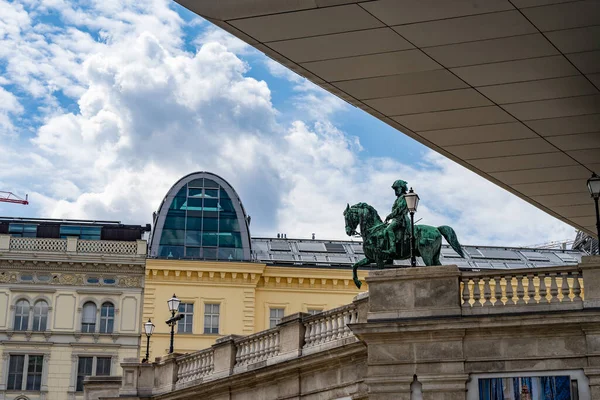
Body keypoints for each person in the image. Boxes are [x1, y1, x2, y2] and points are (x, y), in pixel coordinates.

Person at [383, 180, 410, 256]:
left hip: (401, 219)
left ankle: (392, 249)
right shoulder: (398, 198)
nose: (395, 191)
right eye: (394, 189)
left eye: (396, 189)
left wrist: (390, 216)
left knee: (389, 229)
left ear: (402, 188)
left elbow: (399, 209)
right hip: (396, 219)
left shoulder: (404, 197)